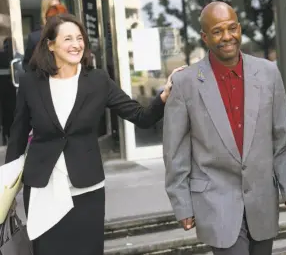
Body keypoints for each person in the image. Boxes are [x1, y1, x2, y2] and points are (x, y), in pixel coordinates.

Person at [4, 13, 184, 255]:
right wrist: (6, 189)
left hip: (86, 189)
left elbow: (141, 116)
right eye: (67, 38)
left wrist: (164, 96)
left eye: (79, 38)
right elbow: (17, 136)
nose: (76, 44)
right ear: (51, 45)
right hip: (42, 188)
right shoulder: (30, 83)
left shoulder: (97, 80)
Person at [163, 1, 286, 255]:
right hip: (215, 202)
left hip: (262, 201)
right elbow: (175, 152)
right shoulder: (185, 83)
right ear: (205, 37)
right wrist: (182, 204)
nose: (227, 37)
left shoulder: (268, 73)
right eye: (217, 31)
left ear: (239, 28)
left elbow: (282, 141)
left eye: (232, 28)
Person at [23, 0, 63, 71]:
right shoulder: (36, 37)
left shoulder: (70, 32)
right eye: (53, 8)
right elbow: (27, 65)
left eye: (59, 6)